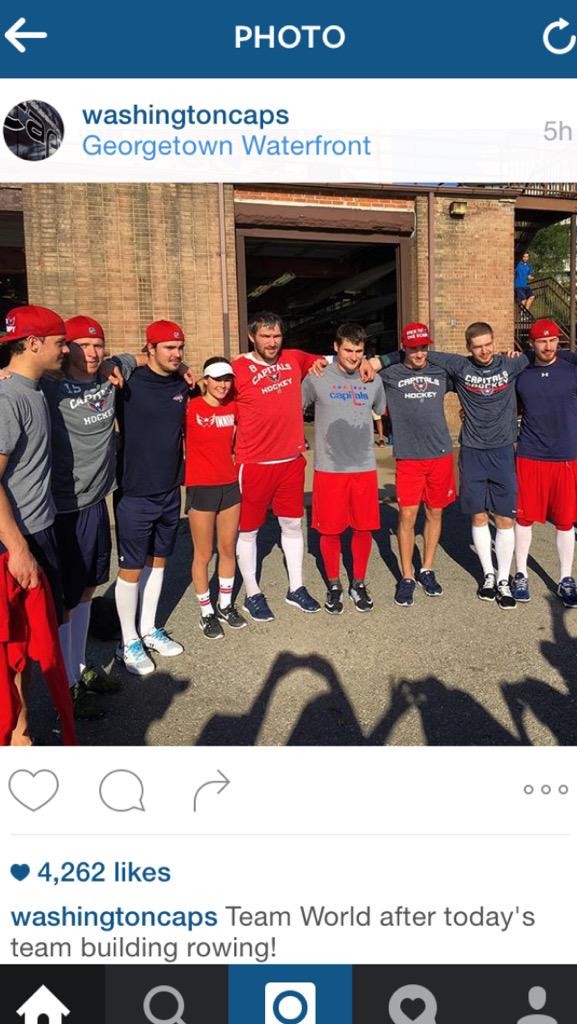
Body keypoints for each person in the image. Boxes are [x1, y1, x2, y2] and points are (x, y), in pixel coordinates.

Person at [40, 315, 137, 716]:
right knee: (65, 597)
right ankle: (66, 685)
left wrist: (120, 362)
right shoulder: (49, 384)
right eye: (83, 345)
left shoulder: (107, 374)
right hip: (63, 507)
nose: (93, 353)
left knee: (88, 589)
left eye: (99, 345)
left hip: (97, 501)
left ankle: (79, 668)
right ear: (67, 348)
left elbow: (132, 357)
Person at [0, 304, 69, 743]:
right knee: (15, 645)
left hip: (40, 528)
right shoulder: (9, 398)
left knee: (31, 641)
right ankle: (19, 734)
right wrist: (18, 549)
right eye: (60, 342)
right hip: (16, 539)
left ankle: (23, 728)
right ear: (32, 343)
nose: (65, 350)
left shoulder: (32, 386)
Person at [424, 322, 529, 608]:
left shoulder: (511, 364)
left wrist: (515, 351)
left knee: (506, 518)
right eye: (478, 346)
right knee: (479, 516)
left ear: (494, 342)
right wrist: (377, 360)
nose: (484, 351)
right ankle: (489, 576)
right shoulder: (459, 366)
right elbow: (420, 353)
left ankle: (505, 580)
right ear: (468, 348)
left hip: (503, 450)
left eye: (488, 344)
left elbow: (543, 353)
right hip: (472, 451)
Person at [232, 311, 325, 621]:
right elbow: (212, 397)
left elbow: (326, 358)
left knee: (292, 524)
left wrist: (363, 361)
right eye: (265, 337)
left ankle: (296, 588)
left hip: (291, 460)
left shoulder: (294, 358)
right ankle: (252, 593)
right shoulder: (237, 368)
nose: (271, 343)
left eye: (276, 336)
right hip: (255, 462)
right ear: (251, 336)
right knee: (248, 531)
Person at [113, 320, 188, 675]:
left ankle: (148, 628)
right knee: (129, 569)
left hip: (171, 489)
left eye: (180, 348)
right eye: (168, 348)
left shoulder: (181, 383)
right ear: (150, 349)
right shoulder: (126, 382)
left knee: (158, 563)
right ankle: (128, 641)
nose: (176, 354)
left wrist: (187, 371)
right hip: (135, 492)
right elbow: (99, 366)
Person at [301, 323, 386, 613]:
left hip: (364, 466)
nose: (353, 356)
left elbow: (379, 408)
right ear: (335, 347)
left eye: (358, 351)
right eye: (348, 350)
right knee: (331, 530)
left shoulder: (372, 379)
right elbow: (293, 410)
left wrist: (371, 366)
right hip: (329, 468)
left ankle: (358, 583)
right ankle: (335, 585)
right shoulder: (317, 377)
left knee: (364, 529)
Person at [378, 322, 456, 606]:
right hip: (409, 457)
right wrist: (382, 358)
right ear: (404, 348)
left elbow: (467, 373)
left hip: (440, 453)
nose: (420, 353)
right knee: (407, 516)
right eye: (413, 348)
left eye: (423, 347)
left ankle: (427, 568)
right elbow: (363, 369)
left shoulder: (440, 371)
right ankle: (407, 576)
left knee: (434, 513)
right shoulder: (390, 373)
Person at [512, 319, 577, 606]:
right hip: (530, 454)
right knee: (524, 518)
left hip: (566, 455)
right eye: (542, 341)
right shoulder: (521, 373)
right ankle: (520, 573)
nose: (548, 346)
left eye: (553, 341)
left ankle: (565, 578)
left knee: (565, 521)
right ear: (532, 343)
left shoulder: (571, 370)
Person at [185, 356, 247, 639]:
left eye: (227, 379)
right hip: (201, 486)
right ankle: (206, 612)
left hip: (230, 485)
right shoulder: (190, 407)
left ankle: (224, 605)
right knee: (203, 553)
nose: (222, 385)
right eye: (217, 379)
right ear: (205, 381)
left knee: (227, 548)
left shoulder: (234, 407)